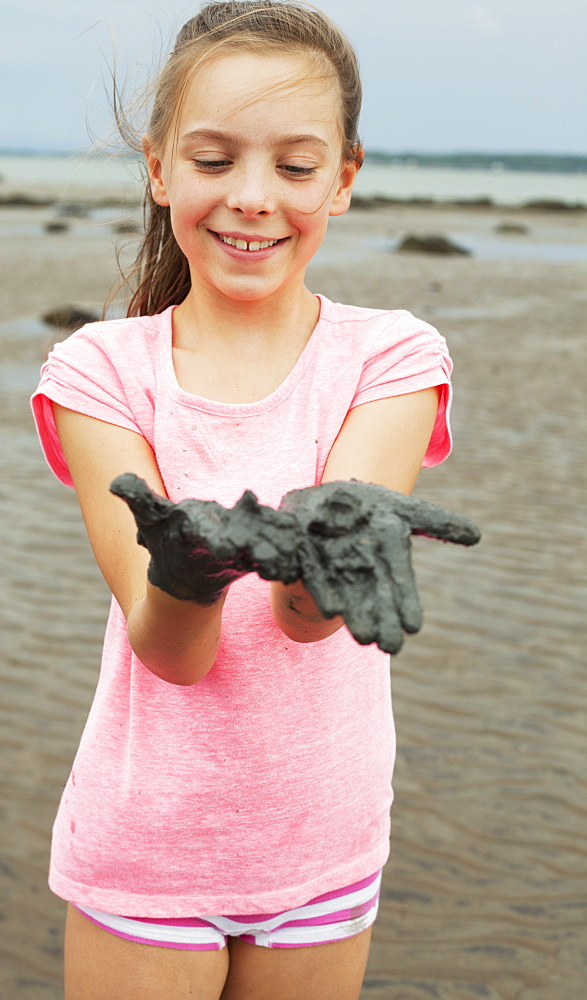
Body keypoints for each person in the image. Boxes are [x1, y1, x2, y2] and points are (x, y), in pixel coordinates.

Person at [31, 3, 477, 997]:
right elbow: (170, 651)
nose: (250, 198)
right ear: (159, 169)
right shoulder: (99, 371)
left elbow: (305, 623)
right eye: (213, 158)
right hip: (147, 852)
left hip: (321, 844)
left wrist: (327, 558)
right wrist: (192, 569)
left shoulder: (390, 357)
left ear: (343, 179)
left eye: (293, 166)